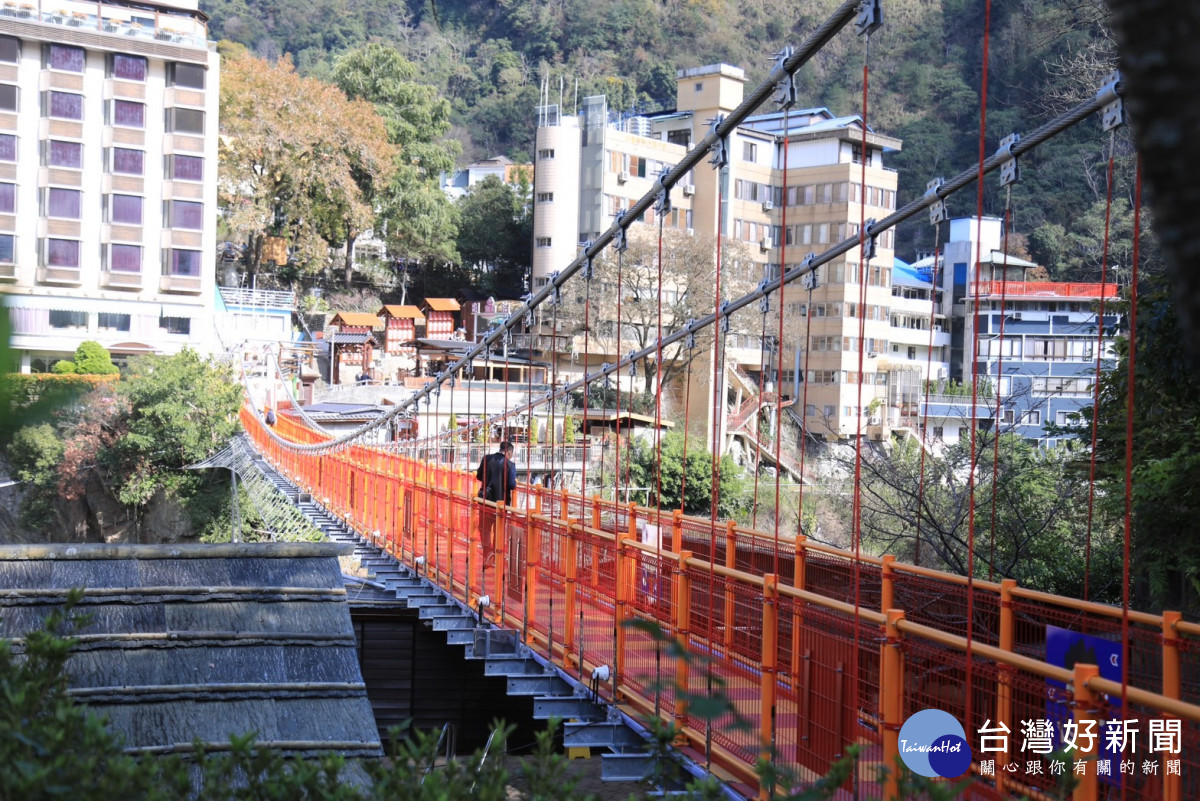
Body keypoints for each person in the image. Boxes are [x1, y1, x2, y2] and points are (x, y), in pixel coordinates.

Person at [475, 441, 517, 566]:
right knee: (499, 530)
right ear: (509, 452)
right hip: (501, 504)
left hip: (485, 501)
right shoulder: (510, 465)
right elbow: (511, 484)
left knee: (485, 528)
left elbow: (478, 476)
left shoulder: (486, 459)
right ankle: (497, 556)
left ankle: (487, 554)